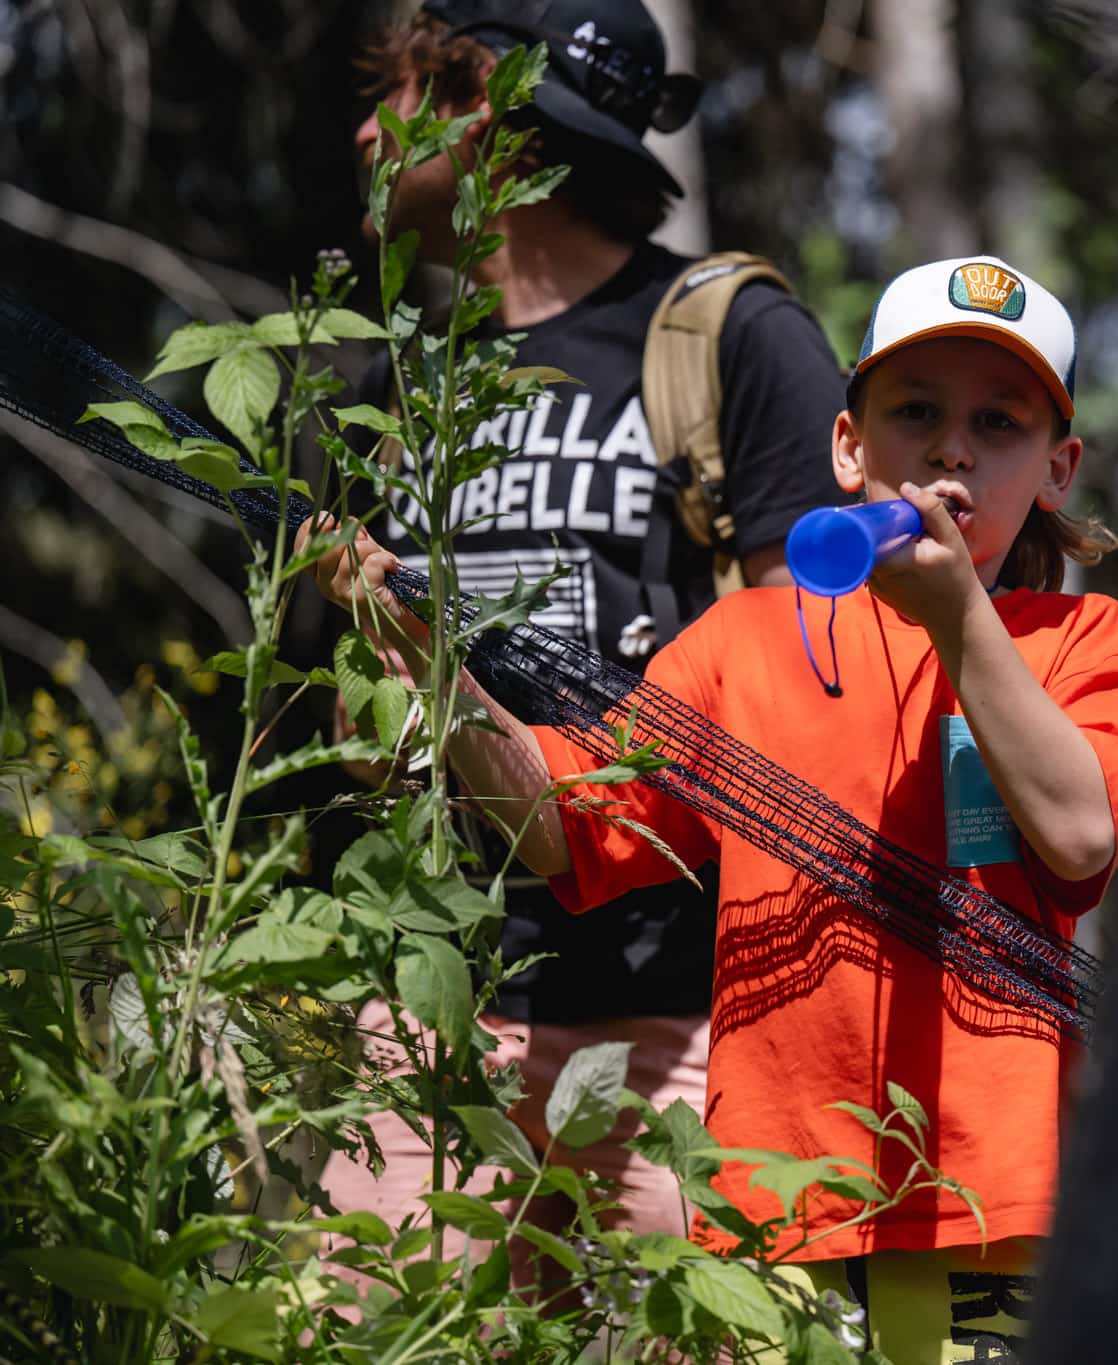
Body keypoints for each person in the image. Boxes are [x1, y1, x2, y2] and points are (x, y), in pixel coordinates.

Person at [306, 255, 1118, 1359]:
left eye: (998, 423)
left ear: (1057, 468)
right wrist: (426, 659)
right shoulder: (743, 645)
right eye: (915, 412)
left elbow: (1079, 836)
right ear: (848, 448)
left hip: (992, 1206)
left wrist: (958, 617)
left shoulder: (1089, 645)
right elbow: (564, 824)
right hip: (771, 1215)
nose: (954, 448)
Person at [322, 0, 849, 1280]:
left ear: (484, 107)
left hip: (689, 1007)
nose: (367, 130)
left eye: (399, 95)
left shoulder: (728, 338)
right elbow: (361, 740)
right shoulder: (398, 386)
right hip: (441, 1011)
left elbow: (821, 673)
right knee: (373, 1335)